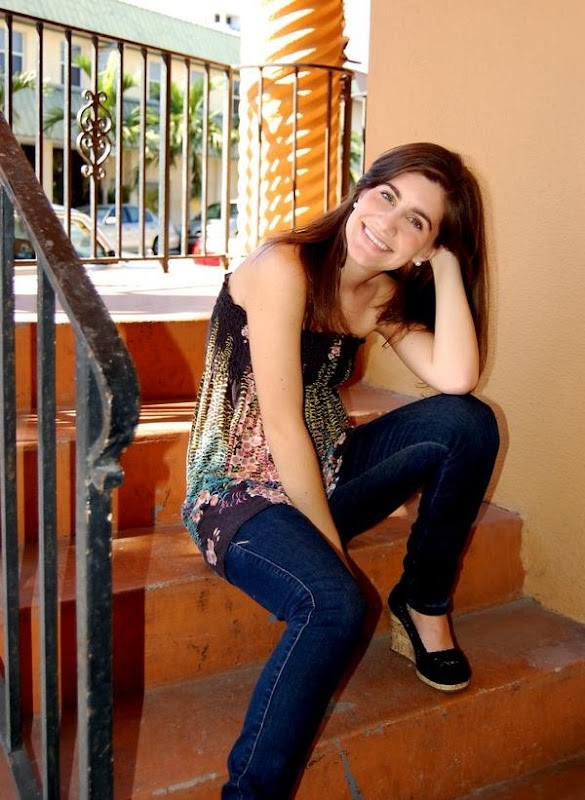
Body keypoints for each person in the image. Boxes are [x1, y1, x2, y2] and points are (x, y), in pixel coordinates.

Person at [182, 142, 500, 799]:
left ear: (424, 246)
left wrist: (446, 263)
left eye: (416, 221)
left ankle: (422, 603)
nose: (387, 223)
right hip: (236, 494)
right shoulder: (282, 268)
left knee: (467, 422)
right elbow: (281, 426)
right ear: (360, 191)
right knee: (334, 605)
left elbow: (456, 376)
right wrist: (331, 556)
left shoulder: (380, 292)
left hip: (325, 473)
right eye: (386, 196)